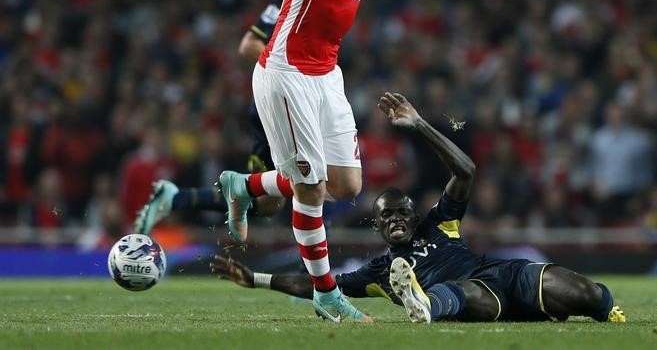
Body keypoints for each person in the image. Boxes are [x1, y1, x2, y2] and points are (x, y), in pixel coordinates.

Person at [211, 92, 626, 324]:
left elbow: (466, 170)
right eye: (385, 215)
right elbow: (319, 285)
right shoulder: (376, 273)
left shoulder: (440, 223)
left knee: (592, 296)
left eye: (401, 212)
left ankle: (611, 314)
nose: (395, 218)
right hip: (476, 297)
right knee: (458, 294)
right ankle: (423, 303)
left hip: (507, 274)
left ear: (414, 214)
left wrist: (419, 124)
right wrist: (257, 279)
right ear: (376, 227)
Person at [218, 0, 394, 323]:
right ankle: (326, 295)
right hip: (287, 74)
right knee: (311, 189)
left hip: (327, 76)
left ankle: (246, 185)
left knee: (345, 183)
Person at [133, 0, 287, 235]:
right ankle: (314, 272)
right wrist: (295, 74)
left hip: (297, 96)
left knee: (268, 202)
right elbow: (250, 45)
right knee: (323, 180)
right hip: (285, 100)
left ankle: (175, 199)